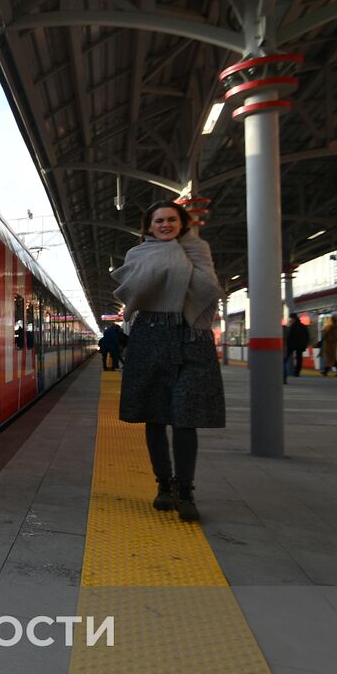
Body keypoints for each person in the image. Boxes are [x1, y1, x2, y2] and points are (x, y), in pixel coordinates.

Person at [111, 200, 224, 522]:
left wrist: (176, 259)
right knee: (155, 416)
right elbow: (134, 291)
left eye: (171, 220)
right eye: (158, 220)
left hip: (193, 339)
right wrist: (177, 265)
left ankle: (186, 490)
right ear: (148, 226)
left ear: (181, 222)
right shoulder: (137, 255)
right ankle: (164, 486)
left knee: (185, 419)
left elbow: (209, 288)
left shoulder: (198, 248)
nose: (165, 224)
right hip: (151, 337)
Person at [285, 312, 310, 378]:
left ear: (293, 318)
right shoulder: (303, 326)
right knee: (299, 359)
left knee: (286, 357)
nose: (290, 320)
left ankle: (283, 370)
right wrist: (305, 344)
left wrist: (287, 343)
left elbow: (289, 336)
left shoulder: (292, 326)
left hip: (292, 344)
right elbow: (307, 336)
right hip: (300, 345)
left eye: (291, 319)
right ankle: (297, 372)